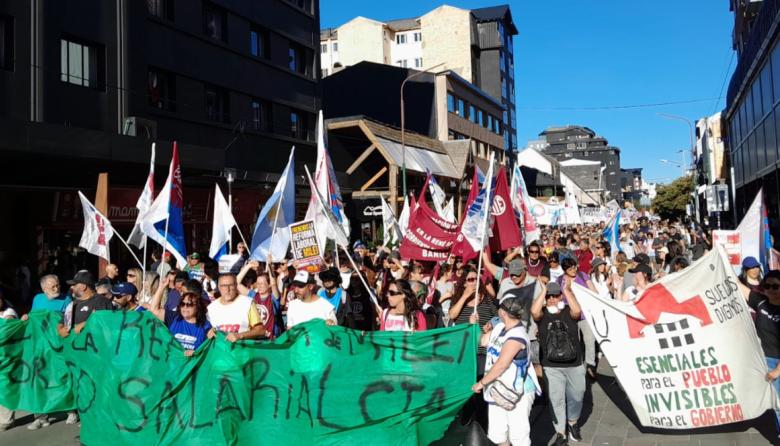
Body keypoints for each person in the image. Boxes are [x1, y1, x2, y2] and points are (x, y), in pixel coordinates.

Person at [472, 296, 541, 446]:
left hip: (518, 392)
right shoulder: (499, 328)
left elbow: (502, 364)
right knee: (497, 435)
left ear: (503, 312)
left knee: (518, 435)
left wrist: (481, 383)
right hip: (497, 388)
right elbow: (482, 341)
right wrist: (475, 325)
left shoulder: (518, 336)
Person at [532, 282, 585, 445]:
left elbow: (577, 311)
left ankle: (573, 422)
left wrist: (566, 290)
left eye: (555, 295)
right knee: (556, 399)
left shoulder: (569, 311)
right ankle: (561, 433)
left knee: (577, 395)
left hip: (574, 363)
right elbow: (534, 312)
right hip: (551, 365)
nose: (552, 299)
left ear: (560, 296)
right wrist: (543, 291)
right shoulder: (542, 315)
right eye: (549, 296)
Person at [738, 270, 780, 436]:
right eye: (767, 286)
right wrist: (720, 258)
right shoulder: (761, 302)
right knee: (771, 403)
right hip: (762, 361)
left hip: (777, 363)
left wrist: (777, 370)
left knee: (778, 404)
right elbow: (740, 288)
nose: (771, 289)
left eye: (776, 286)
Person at [147, 279, 215, 355]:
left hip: (192, 365)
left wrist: (196, 353)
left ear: (197, 306)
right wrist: (161, 287)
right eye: (182, 304)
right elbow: (154, 310)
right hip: (172, 364)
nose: (185, 307)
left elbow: (209, 351)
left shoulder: (205, 325)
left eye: (189, 304)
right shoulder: (174, 318)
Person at [208, 274, 266, 341]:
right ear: (219, 287)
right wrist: (210, 332)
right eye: (224, 286)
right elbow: (209, 331)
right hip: (221, 350)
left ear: (236, 286)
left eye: (231, 285)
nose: (227, 289)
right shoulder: (212, 307)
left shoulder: (247, 303)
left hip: (242, 349)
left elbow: (261, 330)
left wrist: (240, 335)